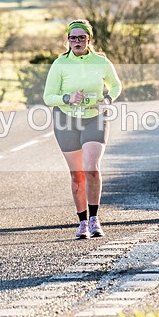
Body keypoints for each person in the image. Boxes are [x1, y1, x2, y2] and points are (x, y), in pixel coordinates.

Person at [43, 19, 122, 239]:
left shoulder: (100, 61)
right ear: (67, 40)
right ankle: (83, 222)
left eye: (81, 37)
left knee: (91, 168)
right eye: (72, 37)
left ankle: (95, 219)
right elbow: (48, 97)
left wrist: (107, 99)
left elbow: (116, 85)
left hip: (94, 118)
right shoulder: (60, 64)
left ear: (89, 39)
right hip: (66, 120)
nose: (76, 41)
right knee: (77, 175)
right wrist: (68, 98)